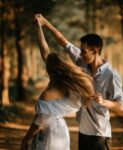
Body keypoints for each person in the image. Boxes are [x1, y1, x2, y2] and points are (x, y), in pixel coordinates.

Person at [34, 14, 123, 150]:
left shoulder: (111, 75)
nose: (80, 54)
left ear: (94, 51)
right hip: (83, 132)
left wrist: (103, 102)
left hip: (99, 134)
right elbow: (63, 42)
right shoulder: (82, 61)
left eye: (83, 51)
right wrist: (45, 23)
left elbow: (121, 106)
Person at [20, 15, 94, 150]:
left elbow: (38, 124)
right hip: (62, 133)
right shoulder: (69, 86)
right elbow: (45, 51)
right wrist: (39, 29)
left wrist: (25, 140)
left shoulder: (48, 95)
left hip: (50, 137)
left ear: (49, 69)